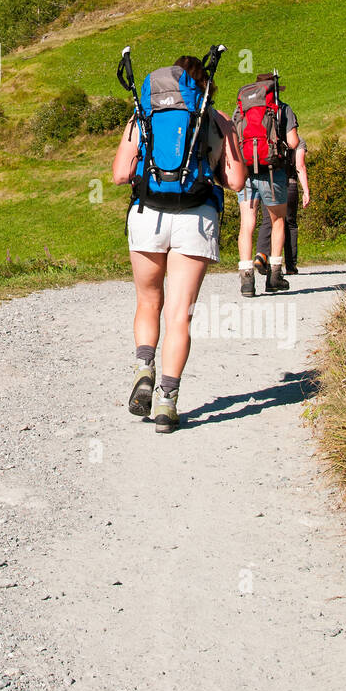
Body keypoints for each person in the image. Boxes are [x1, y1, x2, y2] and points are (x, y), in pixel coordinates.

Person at [112, 54, 246, 434]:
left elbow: (121, 174)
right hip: (196, 217)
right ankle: (167, 403)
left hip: (147, 216)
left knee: (148, 301)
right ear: (204, 84)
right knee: (178, 314)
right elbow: (236, 182)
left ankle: (143, 369)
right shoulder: (217, 119)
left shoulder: (144, 114)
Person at [234, 73, 301, 296]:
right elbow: (293, 142)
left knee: (247, 224)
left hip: (245, 172)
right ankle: (274, 276)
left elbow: (234, 137)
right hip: (273, 172)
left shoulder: (243, 108)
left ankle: (246, 280)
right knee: (278, 221)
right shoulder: (282, 108)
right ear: (274, 90)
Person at [254, 134, 309, 276]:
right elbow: (300, 166)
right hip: (289, 184)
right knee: (290, 224)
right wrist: (306, 191)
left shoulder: (267, 139)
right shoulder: (298, 141)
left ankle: (262, 255)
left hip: (270, 184)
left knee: (268, 221)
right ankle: (290, 266)